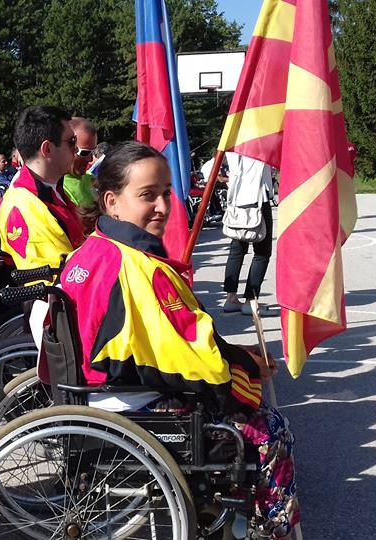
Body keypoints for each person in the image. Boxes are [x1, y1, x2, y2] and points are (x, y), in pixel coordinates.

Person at [60, 140, 298, 538]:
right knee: (271, 428)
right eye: (147, 195)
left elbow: (170, 339)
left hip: (98, 392)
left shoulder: (92, 250)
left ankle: (224, 516)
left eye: (166, 193)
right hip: (132, 403)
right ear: (112, 202)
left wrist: (235, 353)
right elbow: (191, 360)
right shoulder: (138, 266)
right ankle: (270, 530)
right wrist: (243, 368)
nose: (163, 206)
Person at [0, 105, 84, 274]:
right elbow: (58, 278)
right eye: (72, 142)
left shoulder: (50, 190)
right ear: (47, 149)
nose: (77, 149)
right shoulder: (25, 206)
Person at [221, 152, 274, 317]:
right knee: (262, 252)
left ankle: (231, 298)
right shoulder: (257, 142)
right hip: (258, 196)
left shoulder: (233, 142)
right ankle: (251, 300)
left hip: (237, 196)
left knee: (236, 250)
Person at [62, 116, 99, 211]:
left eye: (93, 152)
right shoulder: (57, 188)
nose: (90, 159)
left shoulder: (91, 180)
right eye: (85, 152)